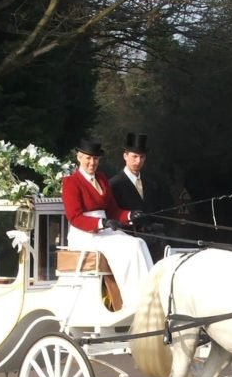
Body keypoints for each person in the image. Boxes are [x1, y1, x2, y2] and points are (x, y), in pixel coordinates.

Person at [61, 137, 153, 310]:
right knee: (128, 248)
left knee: (138, 243)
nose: (92, 162)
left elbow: (113, 210)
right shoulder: (70, 182)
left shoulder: (102, 179)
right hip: (85, 234)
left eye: (95, 158)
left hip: (104, 229)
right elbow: (74, 217)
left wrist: (130, 215)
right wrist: (101, 223)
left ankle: (147, 297)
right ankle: (132, 301)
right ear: (79, 157)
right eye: (88, 158)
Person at [108, 132, 166, 261]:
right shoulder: (114, 184)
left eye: (142, 157)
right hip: (128, 239)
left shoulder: (151, 184)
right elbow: (113, 213)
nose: (138, 161)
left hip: (154, 238)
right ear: (125, 156)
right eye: (134, 156)